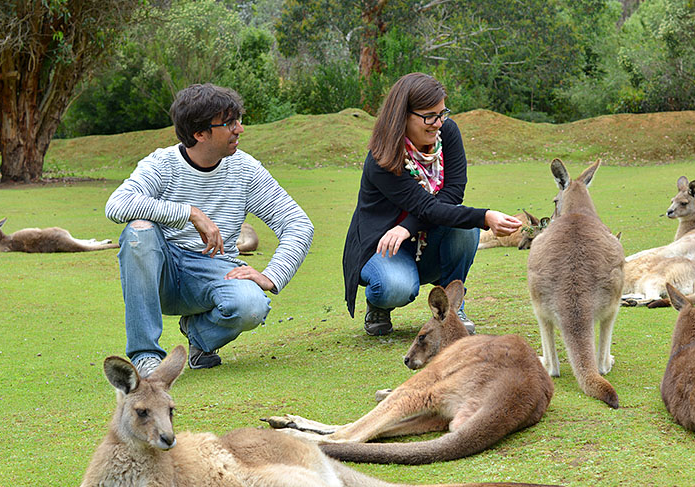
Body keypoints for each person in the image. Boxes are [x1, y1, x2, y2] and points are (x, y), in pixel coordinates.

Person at [105, 83, 314, 376]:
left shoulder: (245, 169)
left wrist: (271, 275)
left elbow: (298, 223)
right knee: (139, 232)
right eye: (229, 123)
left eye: (239, 119)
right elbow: (116, 205)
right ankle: (146, 356)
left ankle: (200, 337)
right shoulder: (162, 164)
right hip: (160, 273)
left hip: (212, 269)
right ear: (199, 134)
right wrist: (189, 213)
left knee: (252, 305)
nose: (239, 129)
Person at [342, 72, 523, 336]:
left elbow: (452, 194)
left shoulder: (447, 134)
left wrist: (407, 226)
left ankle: (451, 308)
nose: (438, 123)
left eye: (442, 113)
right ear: (403, 115)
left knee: (464, 227)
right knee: (394, 287)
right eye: (429, 116)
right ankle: (378, 305)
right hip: (384, 244)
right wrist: (485, 216)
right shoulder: (381, 159)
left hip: (424, 239)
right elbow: (427, 206)